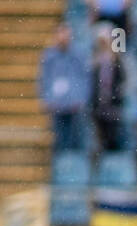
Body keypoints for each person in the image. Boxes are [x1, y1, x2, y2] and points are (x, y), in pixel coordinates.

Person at [39, 24, 89, 152]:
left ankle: (72, 165)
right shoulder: (49, 56)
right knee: (59, 139)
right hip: (56, 104)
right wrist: (46, 99)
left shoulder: (78, 55)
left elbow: (84, 78)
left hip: (74, 104)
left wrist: (81, 99)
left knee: (75, 139)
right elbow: (44, 79)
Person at [91, 27, 127, 153]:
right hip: (99, 106)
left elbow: (123, 81)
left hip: (113, 106)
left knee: (114, 139)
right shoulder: (95, 61)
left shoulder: (117, 61)